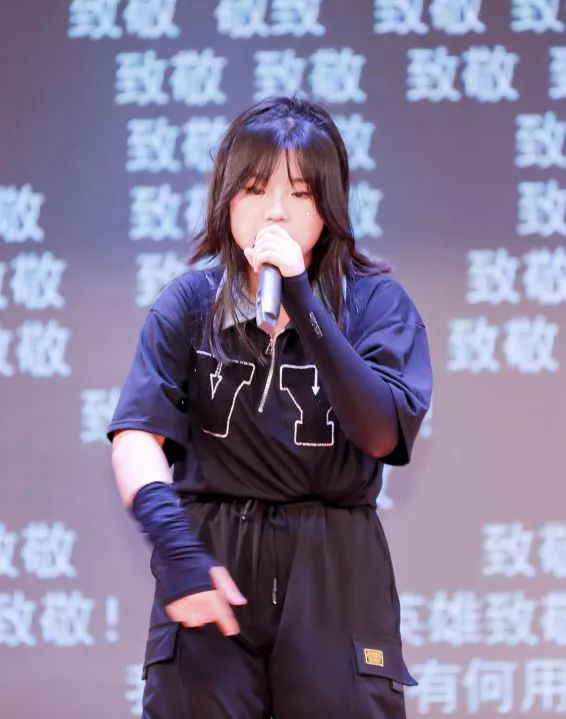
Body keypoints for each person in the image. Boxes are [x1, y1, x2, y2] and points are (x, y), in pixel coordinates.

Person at [108, 95, 433, 719]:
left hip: (333, 564)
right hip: (213, 557)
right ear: (226, 200)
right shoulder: (188, 305)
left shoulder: (376, 305)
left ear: (329, 207)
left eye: (300, 193)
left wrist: (303, 301)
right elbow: (137, 436)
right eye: (255, 189)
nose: (276, 210)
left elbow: (382, 434)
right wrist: (174, 544)